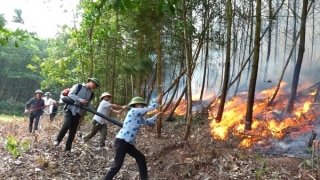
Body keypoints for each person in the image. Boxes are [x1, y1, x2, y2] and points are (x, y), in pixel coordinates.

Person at [104, 94, 163, 180]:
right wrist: (157, 102)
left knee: (141, 158)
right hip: (122, 141)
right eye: (141, 105)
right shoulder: (134, 111)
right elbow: (148, 109)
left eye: (142, 105)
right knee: (117, 165)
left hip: (128, 143)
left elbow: (147, 121)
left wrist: (156, 116)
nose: (142, 106)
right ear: (136, 105)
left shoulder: (138, 116)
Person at [54, 77, 99, 152]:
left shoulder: (91, 94)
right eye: (95, 84)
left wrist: (82, 116)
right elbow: (70, 95)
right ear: (91, 81)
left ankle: (68, 148)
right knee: (67, 124)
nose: (95, 87)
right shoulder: (78, 86)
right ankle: (58, 140)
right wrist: (80, 100)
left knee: (73, 131)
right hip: (69, 109)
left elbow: (87, 106)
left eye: (96, 86)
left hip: (78, 113)